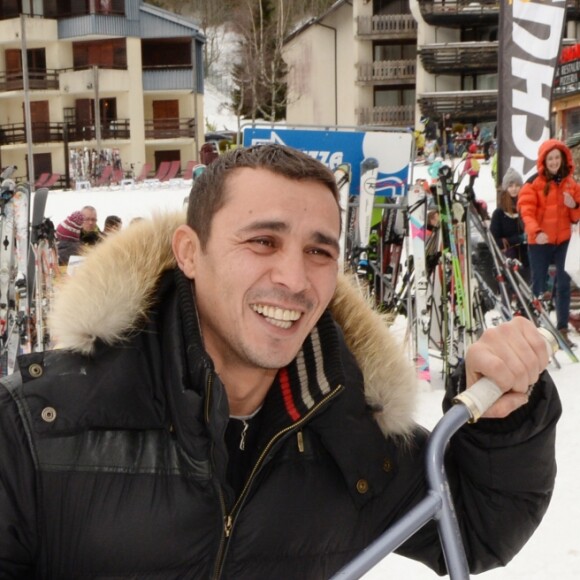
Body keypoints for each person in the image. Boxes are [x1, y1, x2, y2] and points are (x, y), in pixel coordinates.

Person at [0, 144, 561, 578]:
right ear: (190, 253)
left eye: (319, 251)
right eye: (263, 242)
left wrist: (505, 416)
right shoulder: (37, 427)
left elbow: (477, 528)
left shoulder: (343, 426)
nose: (294, 280)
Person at [518, 138, 580, 348]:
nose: (554, 162)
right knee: (538, 285)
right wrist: (536, 231)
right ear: (544, 160)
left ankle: (562, 329)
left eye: (557, 157)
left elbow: (576, 216)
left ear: (563, 159)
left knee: (563, 284)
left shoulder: (571, 183)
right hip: (540, 241)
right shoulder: (533, 183)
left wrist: (574, 205)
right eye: (550, 158)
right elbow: (526, 211)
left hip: (563, 240)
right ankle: (535, 329)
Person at [490, 167, 529, 282]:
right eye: (511, 186)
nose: (514, 189)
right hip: (509, 262)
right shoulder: (499, 213)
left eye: (517, 185)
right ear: (506, 188)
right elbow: (494, 241)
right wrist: (518, 239)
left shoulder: (527, 207)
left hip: (528, 258)